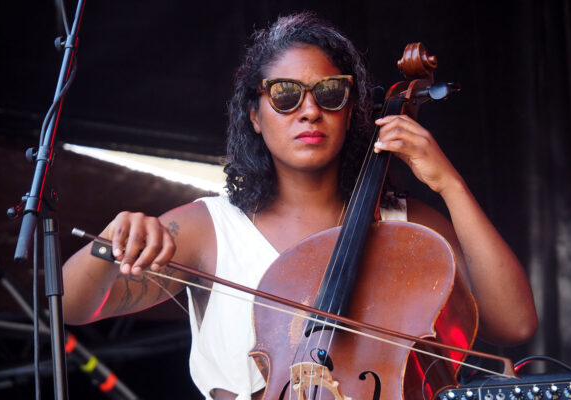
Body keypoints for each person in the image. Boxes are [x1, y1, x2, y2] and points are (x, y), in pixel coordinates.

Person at [62, 12, 538, 400]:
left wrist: (449, 184)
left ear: (351, 110)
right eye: (286, 95)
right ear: (255, 114)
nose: (309, 110)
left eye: (330, 93)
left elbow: (514, 323)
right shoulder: (210, 228)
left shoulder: (408, 227)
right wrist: (111, 243)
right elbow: (72, 305)